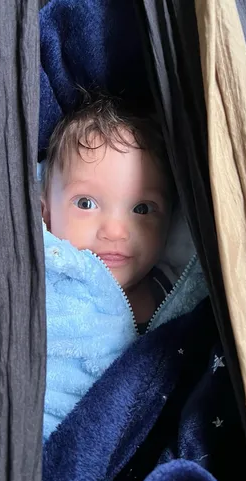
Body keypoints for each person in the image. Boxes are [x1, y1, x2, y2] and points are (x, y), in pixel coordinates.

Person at [41, 94, 174, 332]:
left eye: (141, 209)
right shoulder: (43, 291)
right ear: (45, 212)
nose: (114, 232)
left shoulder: (182, 298)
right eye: (85, 203)